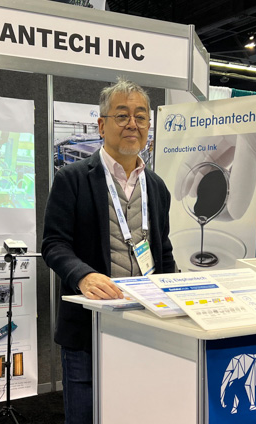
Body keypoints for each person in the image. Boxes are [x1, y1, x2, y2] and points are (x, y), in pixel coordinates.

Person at [42, 78, 176, 423]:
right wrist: (83, 276)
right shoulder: (72, 179)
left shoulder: (157, 187)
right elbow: (54, 244)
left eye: (141, 117)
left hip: (147, 324)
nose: (133, 124)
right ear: (102, 126)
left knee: (140, 413)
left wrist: (178, 294)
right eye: (122, 115)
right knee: (87, 415)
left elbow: (163, 250)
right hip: (89, 329)